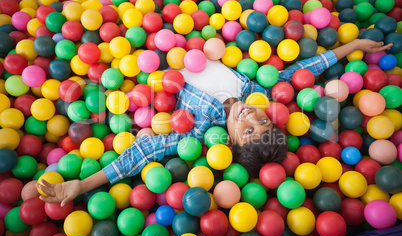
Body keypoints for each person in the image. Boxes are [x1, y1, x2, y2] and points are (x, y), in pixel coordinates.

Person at [38, 39, 392, 206]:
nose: (252, 116)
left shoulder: (193, 129)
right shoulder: (259, 88)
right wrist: (355, 44)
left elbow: (143, 151)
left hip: (154, 65)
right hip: (177, 40)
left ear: (232, 142)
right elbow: (304, 69)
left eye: (249, 131)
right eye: (263, 121)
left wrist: (81, 186)